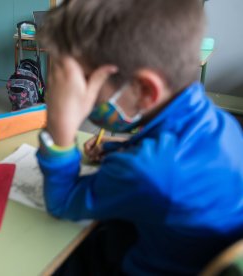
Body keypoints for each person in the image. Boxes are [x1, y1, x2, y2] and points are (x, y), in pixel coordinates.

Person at [36, 0, 243, 275]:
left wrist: (60, 129)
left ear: (145, 90)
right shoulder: (221, 122)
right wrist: (123, 148)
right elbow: (171, 154)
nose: (74, 93)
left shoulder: (146, 169)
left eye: (84, 81)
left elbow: (62, 203)